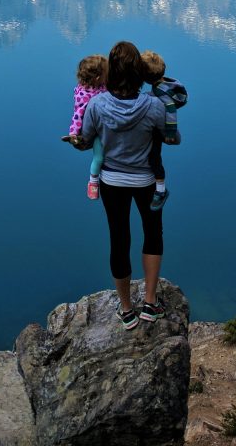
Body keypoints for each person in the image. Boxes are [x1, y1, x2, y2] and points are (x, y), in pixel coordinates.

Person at [78, 41, 181, 329]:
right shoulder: (154, 106)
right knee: (152, 233)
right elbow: (172, 138)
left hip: (111, 180)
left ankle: (126, 309)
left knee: (119, 239)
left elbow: (85, 140)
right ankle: (150, 302)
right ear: (138, 71)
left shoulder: (96, 105)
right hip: (146, 180)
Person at [140, 51, 188, 211]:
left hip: (163, 128)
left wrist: (170, 133)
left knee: (154, 158)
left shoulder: (159, 92)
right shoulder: (168, 83)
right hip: (159, 119)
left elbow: (171, 108)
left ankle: (160, 191)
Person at [61, 54, 108, 199]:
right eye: (107, 72)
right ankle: (93, 182)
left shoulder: (103, 86)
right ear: (98, 77)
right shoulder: (84, 94)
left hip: (106, 128)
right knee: (98, 157)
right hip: (96, 133)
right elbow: (77, 114)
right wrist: (74, 132)